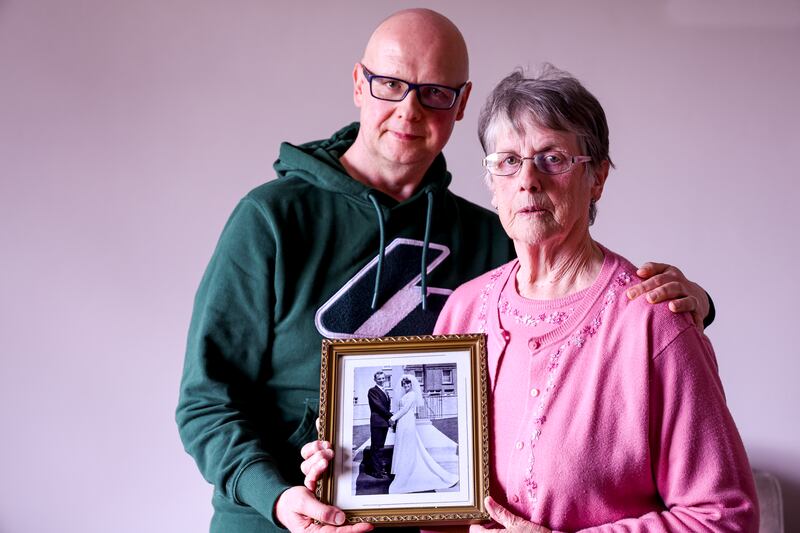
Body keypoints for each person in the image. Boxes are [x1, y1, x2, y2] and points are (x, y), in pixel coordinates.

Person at [177, 9, 715, 533]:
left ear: (460, 104)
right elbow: (206, 400)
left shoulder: (493, 237)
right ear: (359, 85)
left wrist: (691, 305)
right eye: (390, 83)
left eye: (435, 92)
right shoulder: (272, 219)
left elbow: (577, 307)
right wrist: (277, 497)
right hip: (275, 521)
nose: (410, 111)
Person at [432, 67, 755, 531]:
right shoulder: (462, 309)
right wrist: (347, 478)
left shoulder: (654, 321)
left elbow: (725, 517)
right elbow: (429, 498)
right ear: (491, 182)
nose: (527, 180)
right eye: (507, 161)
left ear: (597, 177)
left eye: (552, 159)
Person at [388, 375, 458, 494]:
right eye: (404, 384)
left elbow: (405, 409)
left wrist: (393, 418)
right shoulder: (405, 395)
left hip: (407, 421)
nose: (406, 386)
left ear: (411, 385)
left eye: (408, 384)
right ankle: (402, 469)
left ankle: (408, 470)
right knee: (403, 444)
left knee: (408, 445)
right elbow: (401, 408)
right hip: (402, 422)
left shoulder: (412, 395)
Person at [365, 371, 393, 479]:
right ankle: (376, 472)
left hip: (383, 424)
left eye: (382, 378)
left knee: (380, 447)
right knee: (376, 447)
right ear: (375, 380)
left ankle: (379, 469)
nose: (381, 380)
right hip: (377, 423)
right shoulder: (372, 391)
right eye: (379, 379)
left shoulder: (385, 391)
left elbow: (386, 406)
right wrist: (390, 416)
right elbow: (378, 406)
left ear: (385, 379)